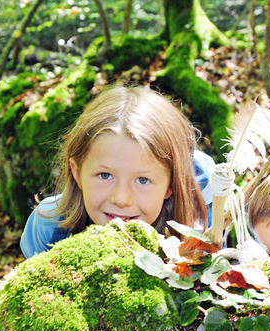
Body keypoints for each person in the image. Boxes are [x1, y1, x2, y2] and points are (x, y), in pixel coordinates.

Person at [20, 85, 215, 258]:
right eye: (105, 176)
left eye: (142, 180)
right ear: (77, 172)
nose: (121, 199)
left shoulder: (200, 229)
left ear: (170, 185)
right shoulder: (50, 226)